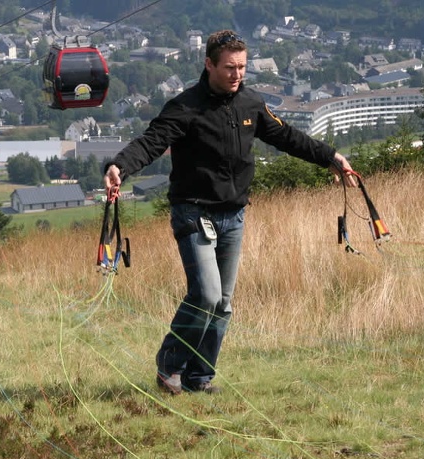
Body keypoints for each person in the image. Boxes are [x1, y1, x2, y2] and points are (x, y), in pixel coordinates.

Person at [104, 29, 356, 395]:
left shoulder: (251, 103)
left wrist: (329, 157)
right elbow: (151, 141)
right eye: (229, 68)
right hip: (193, 212)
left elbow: (288, 137)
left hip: (233, 215)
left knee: (223, 304)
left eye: (242, 68)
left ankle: (199, 378)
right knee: (206, 295)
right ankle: (169, 367)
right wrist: (119, 167)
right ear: (208, 64)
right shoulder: (184, 107)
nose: (237, 75)